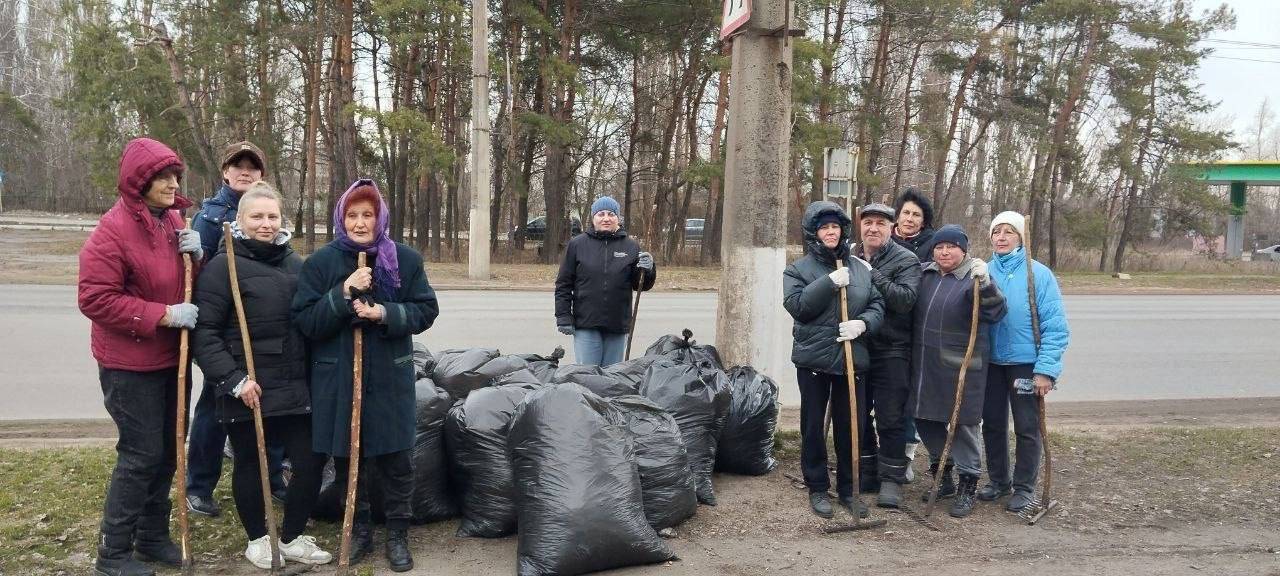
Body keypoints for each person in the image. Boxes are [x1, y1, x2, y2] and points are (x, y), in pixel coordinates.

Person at [292, 179, 439, 572]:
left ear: (380, 218)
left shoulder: (404, 261)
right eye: (352, 215)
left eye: (367, 215)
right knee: (349, 461)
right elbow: (306, 321)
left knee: (397, 461)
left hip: (389, 379)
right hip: (339, 379)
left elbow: (426, 310)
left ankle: (397, 535)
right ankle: (358, 531)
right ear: (341, 218)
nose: (360, 223)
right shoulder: (321, 263)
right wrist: (342, 294)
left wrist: (385, 314)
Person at [191, 182, 332, 569]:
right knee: (251, 463)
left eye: (272, 216)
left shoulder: (295, 263)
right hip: (247, 385)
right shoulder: (224, 266)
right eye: (257, 216)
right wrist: (234, 380)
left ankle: (290, 537)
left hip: (295, 383)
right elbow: (206, 334)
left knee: (310, 461)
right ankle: (257, 539)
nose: (266, 224)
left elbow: (310, 319)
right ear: (241, 220)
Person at [78, 137, 203, 576]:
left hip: (173, 359)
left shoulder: (171, 220)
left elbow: (180, 281)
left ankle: (151, 537)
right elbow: (95, 299)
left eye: (175, 176)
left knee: (170, 450)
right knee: (141, 454)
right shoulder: (111, 231)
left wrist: (197, 257)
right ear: (140, 181)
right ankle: (112, 554)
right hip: (128, 365)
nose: (173, 183)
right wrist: (164, 315)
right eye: (164, 176)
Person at [186, 140, 285, 518]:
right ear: (225, 172)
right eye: (237, 165)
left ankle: (272, 478)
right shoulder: (209, 218)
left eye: (253, 166)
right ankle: (199, 485)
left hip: (262, 330)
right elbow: (199, 277)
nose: (245, 171)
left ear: (261, 173)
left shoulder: (266, 210)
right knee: (215, 408)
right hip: (225, 331)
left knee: (271, 404)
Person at [783, 201, 885, 519]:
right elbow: (797, 306)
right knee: (813, 427)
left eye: (835, 227)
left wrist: (863, 323)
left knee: (850, 427)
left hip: (852, 360)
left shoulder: (860, 268)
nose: (831, 232)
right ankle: (817, 487)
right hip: (813, 361)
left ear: (843, 231)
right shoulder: (798, 270)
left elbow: (877, 303)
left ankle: (848, 490)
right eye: (824, 227)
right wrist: (828, 283)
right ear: (814, 232)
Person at [910, 224, 1007, 518]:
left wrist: (987, 285)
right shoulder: (925, 275)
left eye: (951, 246)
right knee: (923, 418)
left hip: (962, 366)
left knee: (963, 425)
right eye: (939, 246)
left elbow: (996, 312)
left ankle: (968, 481)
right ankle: (944, 474)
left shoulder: (972, 278)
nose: (944, 251)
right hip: (926, 365)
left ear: (963, 250)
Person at [980, 211, 1070, 512]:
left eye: (1009, 232)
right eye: (997, 232)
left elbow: (1055, 327)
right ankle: (998, 480)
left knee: (1026, 426)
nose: (1001, 237)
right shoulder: (984, 271)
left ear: (1021, 237)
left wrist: (1045, 370)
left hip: (1025, 363)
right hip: (991, 362)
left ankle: (1024, 486)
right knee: (992, 423)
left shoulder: (1038, 274)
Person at [853, 203, 922, 509]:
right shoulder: (849, 255)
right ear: (860, 226)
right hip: (857, 345)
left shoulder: (906, 259)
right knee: (856, 412)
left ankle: (891, 479)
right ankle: (867, 470)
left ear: (891, 228)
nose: (873, 229)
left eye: (881, 223)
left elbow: (905, 300)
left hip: (892, 349)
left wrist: (873, 275)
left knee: (890, 416)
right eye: (868, 222)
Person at [553, 196, 656, 366]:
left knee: (611, 378)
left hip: (617, 324)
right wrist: (563, 316)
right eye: (601, 214)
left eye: (611, 214)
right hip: (586, 323)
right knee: (588, 376)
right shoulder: (577, 245)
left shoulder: (631, 246)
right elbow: (564, 284)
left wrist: (649, 269)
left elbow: (641, 285)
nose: (606, 218)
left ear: (618, 219)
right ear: (593, 218)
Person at [892, 187, 936, 262]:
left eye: (916, 215)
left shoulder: (933, 244)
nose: (909, 219)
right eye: (906, 213)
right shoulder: (884, 238)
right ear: (898, 216)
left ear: (923, 222)